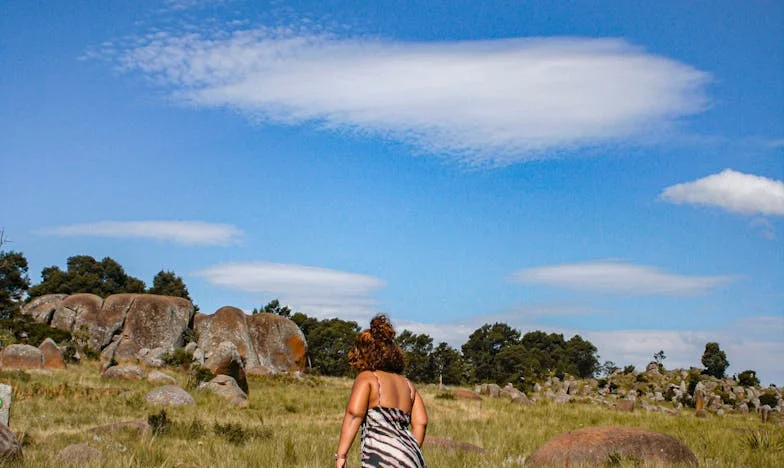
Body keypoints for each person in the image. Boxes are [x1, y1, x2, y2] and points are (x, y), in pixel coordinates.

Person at [335, 314, 428, 468]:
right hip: (413, 457)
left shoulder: (367, 379)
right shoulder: (408, 384)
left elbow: (354, 414)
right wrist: (407, 450)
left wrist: (341, 455)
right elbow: (421, 422)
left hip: (382, 457)